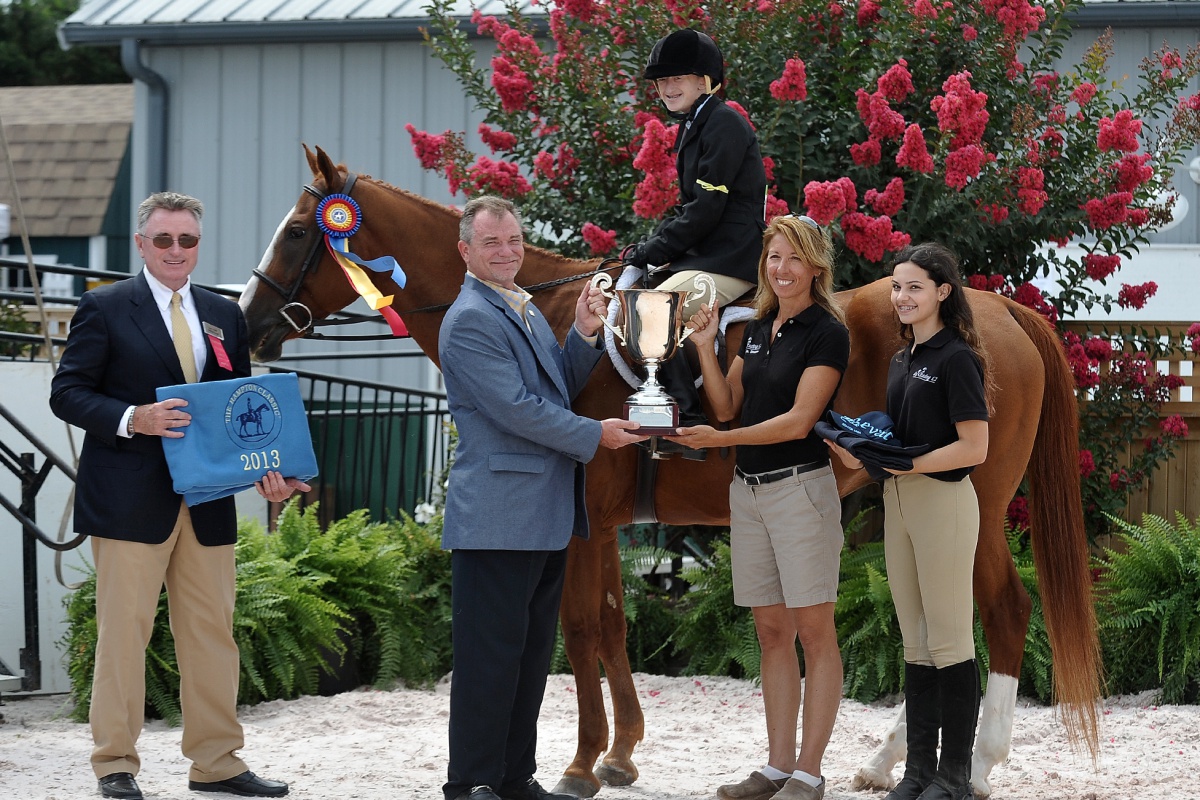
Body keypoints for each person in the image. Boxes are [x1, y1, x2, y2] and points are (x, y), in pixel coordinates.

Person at [49, 191, 308, 800]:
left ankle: (217, 765)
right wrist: (132, 416)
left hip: (208, 500)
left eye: (186, 240)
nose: (175, 250)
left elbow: (238, 410)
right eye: (162, 239)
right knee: (123, 637)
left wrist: (268, 472)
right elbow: (68, 393)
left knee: (212, 635)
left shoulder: (225, 314)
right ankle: (115, 763)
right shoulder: (104, 307)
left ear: (198, 245)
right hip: (129, 500)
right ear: (141, 243)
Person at [438, 196, 645, 800]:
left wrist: (582, 333)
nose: (507, 252)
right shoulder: (471, 316)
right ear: (465, 252)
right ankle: (469, 782)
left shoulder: (518, 307)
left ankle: (511, 777)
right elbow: (517, 411)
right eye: (492, 243)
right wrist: (595, 435)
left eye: (514, 240)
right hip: (498, 517)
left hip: (540, 514)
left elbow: (549, 385)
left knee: (528, 661)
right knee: (488, 664)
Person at [667, 214, 849, 800]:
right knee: (772, 633)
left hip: (800, 491)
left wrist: (720, 443)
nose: (782, 268)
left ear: (815, 265)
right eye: (774, 257)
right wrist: (703, 346)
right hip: (748, 494)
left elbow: (799, 421)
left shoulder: (827, 331)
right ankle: (776, 767)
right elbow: (725, 406)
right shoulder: (761, 326)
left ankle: (810, 772)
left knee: (815, 635)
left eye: (794, 257)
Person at [826, 243, 990, 800]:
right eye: (897, 286)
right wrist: (863, 452)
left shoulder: (957, 358)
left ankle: (955, 778)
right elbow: (899, 439)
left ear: (943, 292)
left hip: (943, 501)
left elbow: (976, 446)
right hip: (899, 500)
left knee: (949, 639)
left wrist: (909, 461)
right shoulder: (901, 360)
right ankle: (919, 772)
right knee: (916, 643)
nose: (901, 297)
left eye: (914, 287)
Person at [624, 27, 768, 447]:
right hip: (709, 252)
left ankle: (681, 417)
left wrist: (654, 249)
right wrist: (653, 249)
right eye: (662, 81)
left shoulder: (723, 124)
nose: (667, 88)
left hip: (733, 257)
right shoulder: (695, 124)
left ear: (704, 80)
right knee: (644, 287)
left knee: (654, 311)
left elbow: (706, 209)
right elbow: (691, 210)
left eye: (677, 79)